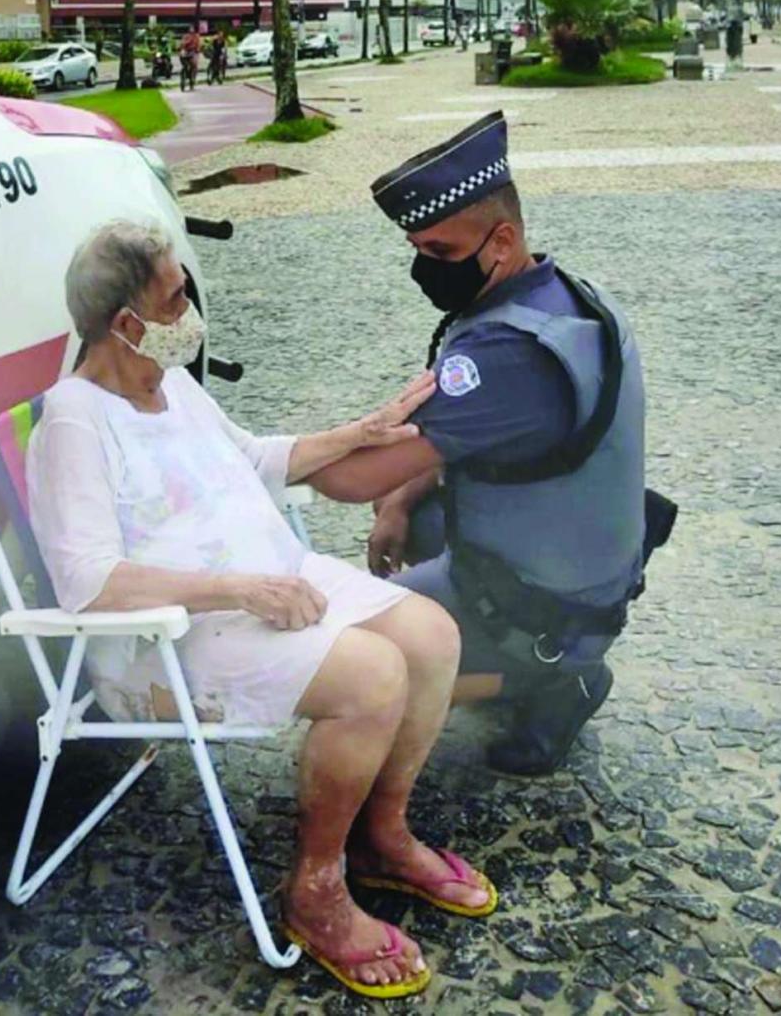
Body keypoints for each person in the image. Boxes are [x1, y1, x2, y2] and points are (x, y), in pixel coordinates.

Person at [27, 222, 496, 996]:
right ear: (125, 324)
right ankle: (315, 890)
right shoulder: (75, 420)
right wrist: (239, 590)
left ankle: (381, 835)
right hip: (164, 638)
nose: (193, 311)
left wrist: (360, 431)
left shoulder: (168, 383)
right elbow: (88, 581)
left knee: (433, 636)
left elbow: (249, 459)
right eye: (177, 297)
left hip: (267, 583)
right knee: (373, 678)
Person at [307, 112, 674, 777]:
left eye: (441, 253)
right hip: (575, 561)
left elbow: (351, 477)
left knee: (335, 663)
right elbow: (452, 439)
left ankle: (556, 677)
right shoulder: (560, 298)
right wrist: (395, 505)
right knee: (409, 511)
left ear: (501, 240)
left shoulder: (509, 353)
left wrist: (237, 453)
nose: (425, 268)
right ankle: (506, 648)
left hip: (555, 605)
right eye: (417, 250)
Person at [178, 24, 202, 92]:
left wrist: (197, 49)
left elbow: (198, 45)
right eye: (190, 29)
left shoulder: (196, 36)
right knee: (183, 61)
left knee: (194, 65)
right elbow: (182, 43)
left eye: (192, 29)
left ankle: (192, 79)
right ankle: (184, 74)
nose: (191, 30)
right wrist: (181, 47)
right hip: (186, 52)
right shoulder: (186, 36)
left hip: (193, 52)